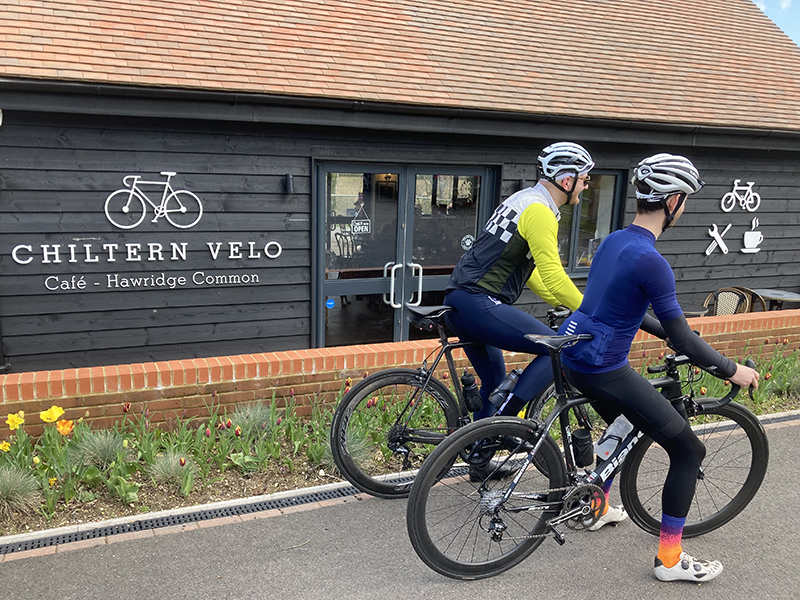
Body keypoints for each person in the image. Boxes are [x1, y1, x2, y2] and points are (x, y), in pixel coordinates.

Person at [558, 153, 759, 582]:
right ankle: (670, 560)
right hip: (603, 368)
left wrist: (663, 332)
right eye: (683, 200)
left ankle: (597, 506)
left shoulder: (614, 241)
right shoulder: (653, 261)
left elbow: (614, 308)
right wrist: (731, 370)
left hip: (575, 357)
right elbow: (686, 338)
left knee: (625, 425)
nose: (683, 207)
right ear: (672, 202)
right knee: (689, 450)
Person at [443, 141, 593, 432]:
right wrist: (593, 312)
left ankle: (480, 454)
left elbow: (533, 276)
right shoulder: (539, 213)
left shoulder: (524, 200)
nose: (586, 187)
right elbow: (555, 277)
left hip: (461, 300)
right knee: (557, 350)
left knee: (494, 381)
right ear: (567, 180)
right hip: (479, 302)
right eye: (585, 180)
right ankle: (506, 423)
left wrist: (559, 302)